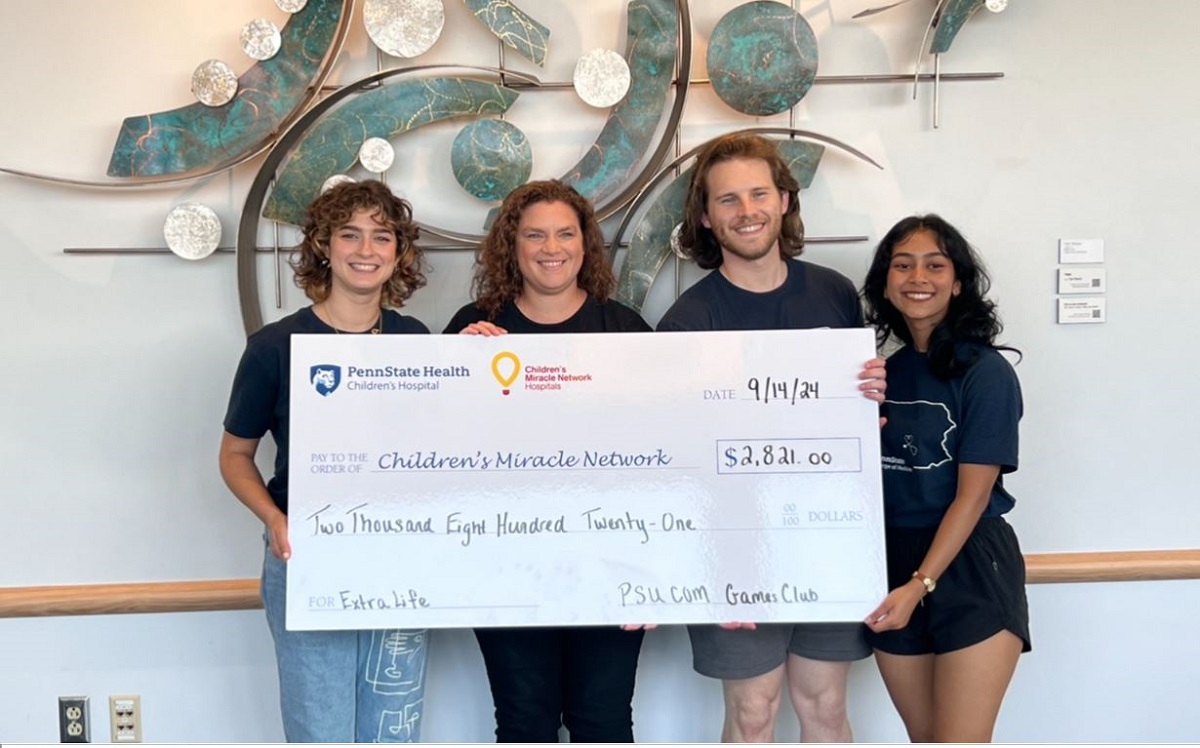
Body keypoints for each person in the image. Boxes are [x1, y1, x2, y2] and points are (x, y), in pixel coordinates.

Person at [656, 132, 886, 743]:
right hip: (736, 549)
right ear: (706, 217)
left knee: (826, 708)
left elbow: (849, 415)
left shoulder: (835, 294)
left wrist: (868, 402)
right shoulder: (687, 322)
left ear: (785, 201)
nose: (746, 210)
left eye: (759, 193)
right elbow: (677, 454)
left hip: (827, 537)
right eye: (727, 200)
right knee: (753, 714)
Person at [219, 180, 432, 743]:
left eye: (381, 236)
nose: (366, 250)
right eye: (350, 235)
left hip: (398, 553)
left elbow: (446, 448)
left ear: (398, 251)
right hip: (306, 555)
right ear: (324, 246)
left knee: (393, 729)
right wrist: (273, 518)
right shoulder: (274, 346)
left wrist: (486, 360)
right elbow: (235, 455)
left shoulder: (418, 342)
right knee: (322, 730)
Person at [444, 179, 650, 742]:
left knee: (603, 722)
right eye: (534, 234)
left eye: (565, 233)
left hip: (611, 564)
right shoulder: (475, 326)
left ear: (586, 245)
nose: (550, 247)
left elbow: (666, 459)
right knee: (523, 721)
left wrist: (664, 575)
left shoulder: (624, 328)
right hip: (506, 566)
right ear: (512, 246)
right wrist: (454, 371)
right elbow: (436, 452)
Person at [861, 214, 1030, 742]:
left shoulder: (985, 372)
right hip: (894, 557)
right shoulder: (877, 372)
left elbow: (972, 497)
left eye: (936, 265)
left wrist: (920, 585)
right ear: (885, 282)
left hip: (969, 564)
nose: (918, 277)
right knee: (926, 739)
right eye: (903, 264)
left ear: (957, 282)